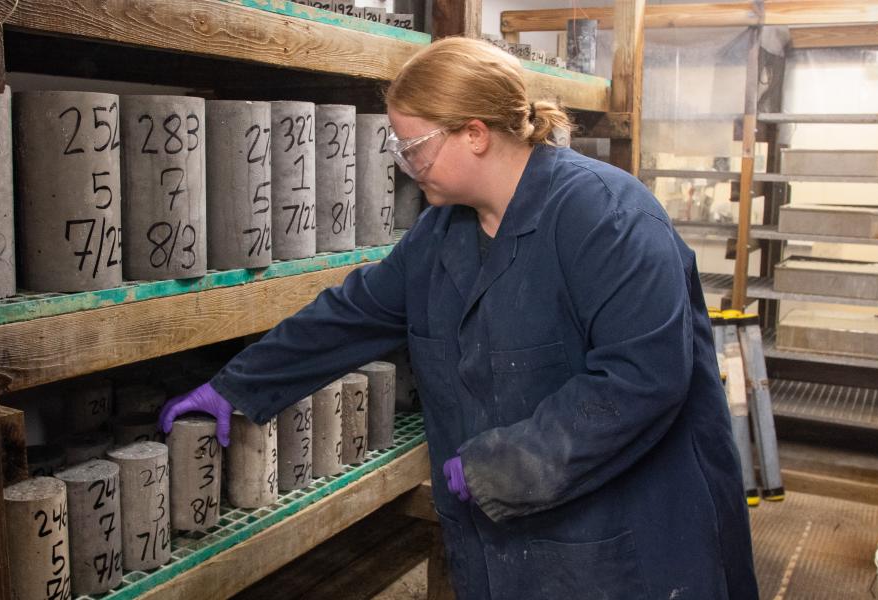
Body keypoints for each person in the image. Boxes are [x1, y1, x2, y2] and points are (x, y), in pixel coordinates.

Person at [160, 36, 758, 599]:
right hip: (506, 539)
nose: (404, 164)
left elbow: (642, 380)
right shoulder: (442, 232)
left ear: (475, 133)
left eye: (413, 146)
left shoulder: (608, 218)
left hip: (623, 534)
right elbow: (353, 314)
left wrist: (502, 467)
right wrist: (235, 386)